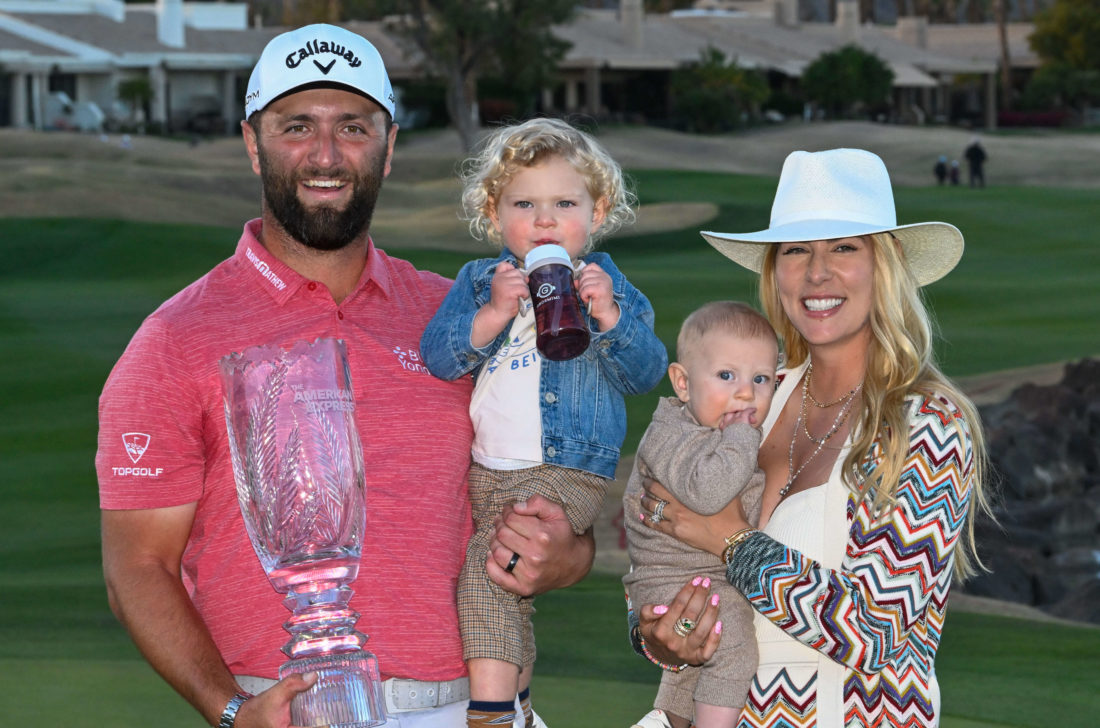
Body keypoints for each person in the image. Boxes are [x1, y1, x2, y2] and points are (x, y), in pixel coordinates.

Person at [96, 25, 593, 728]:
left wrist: (565, 554)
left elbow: (541, 500)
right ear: (252, 142)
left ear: (388, 148)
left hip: (469, 708)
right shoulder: (174, 341)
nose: (325, 155)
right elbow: (136, 570)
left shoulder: (460, 317)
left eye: (353, 128)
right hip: (288, 709)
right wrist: (231, 708)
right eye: (296, 126)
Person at [629, 148, 992, 728]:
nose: (817, 272)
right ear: (775, 269)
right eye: (797, 250)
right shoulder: (754, 400)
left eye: (844, 247)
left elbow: (873, 631)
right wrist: (658, 633)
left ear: (886, 262)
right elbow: (665, 543)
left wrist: (731, 540)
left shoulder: (926, 424)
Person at [420, 117, 668, 728]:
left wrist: (608, 314)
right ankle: (524, 708)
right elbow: (439, 355)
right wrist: (494, 312)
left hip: (565, 467)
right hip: (490, 471)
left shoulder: (606, 284)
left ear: (598, 210)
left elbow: (647, 371)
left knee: (487, 577)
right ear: (493, 212)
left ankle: (491, 716)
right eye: (524, 204)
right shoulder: (482, 281)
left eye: (565, 203)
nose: (546, 220)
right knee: (511, 592)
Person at [623, 301, 778, 728]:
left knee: (702, 657)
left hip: (690, 577)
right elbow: (709, 495)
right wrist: (744, 435)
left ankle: (668, 719)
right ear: (683, 383)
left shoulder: (705, 430)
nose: (746, 392)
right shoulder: (676, 433)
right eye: (727, 376)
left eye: (760, 379)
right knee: (734, 649)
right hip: (677, 580)